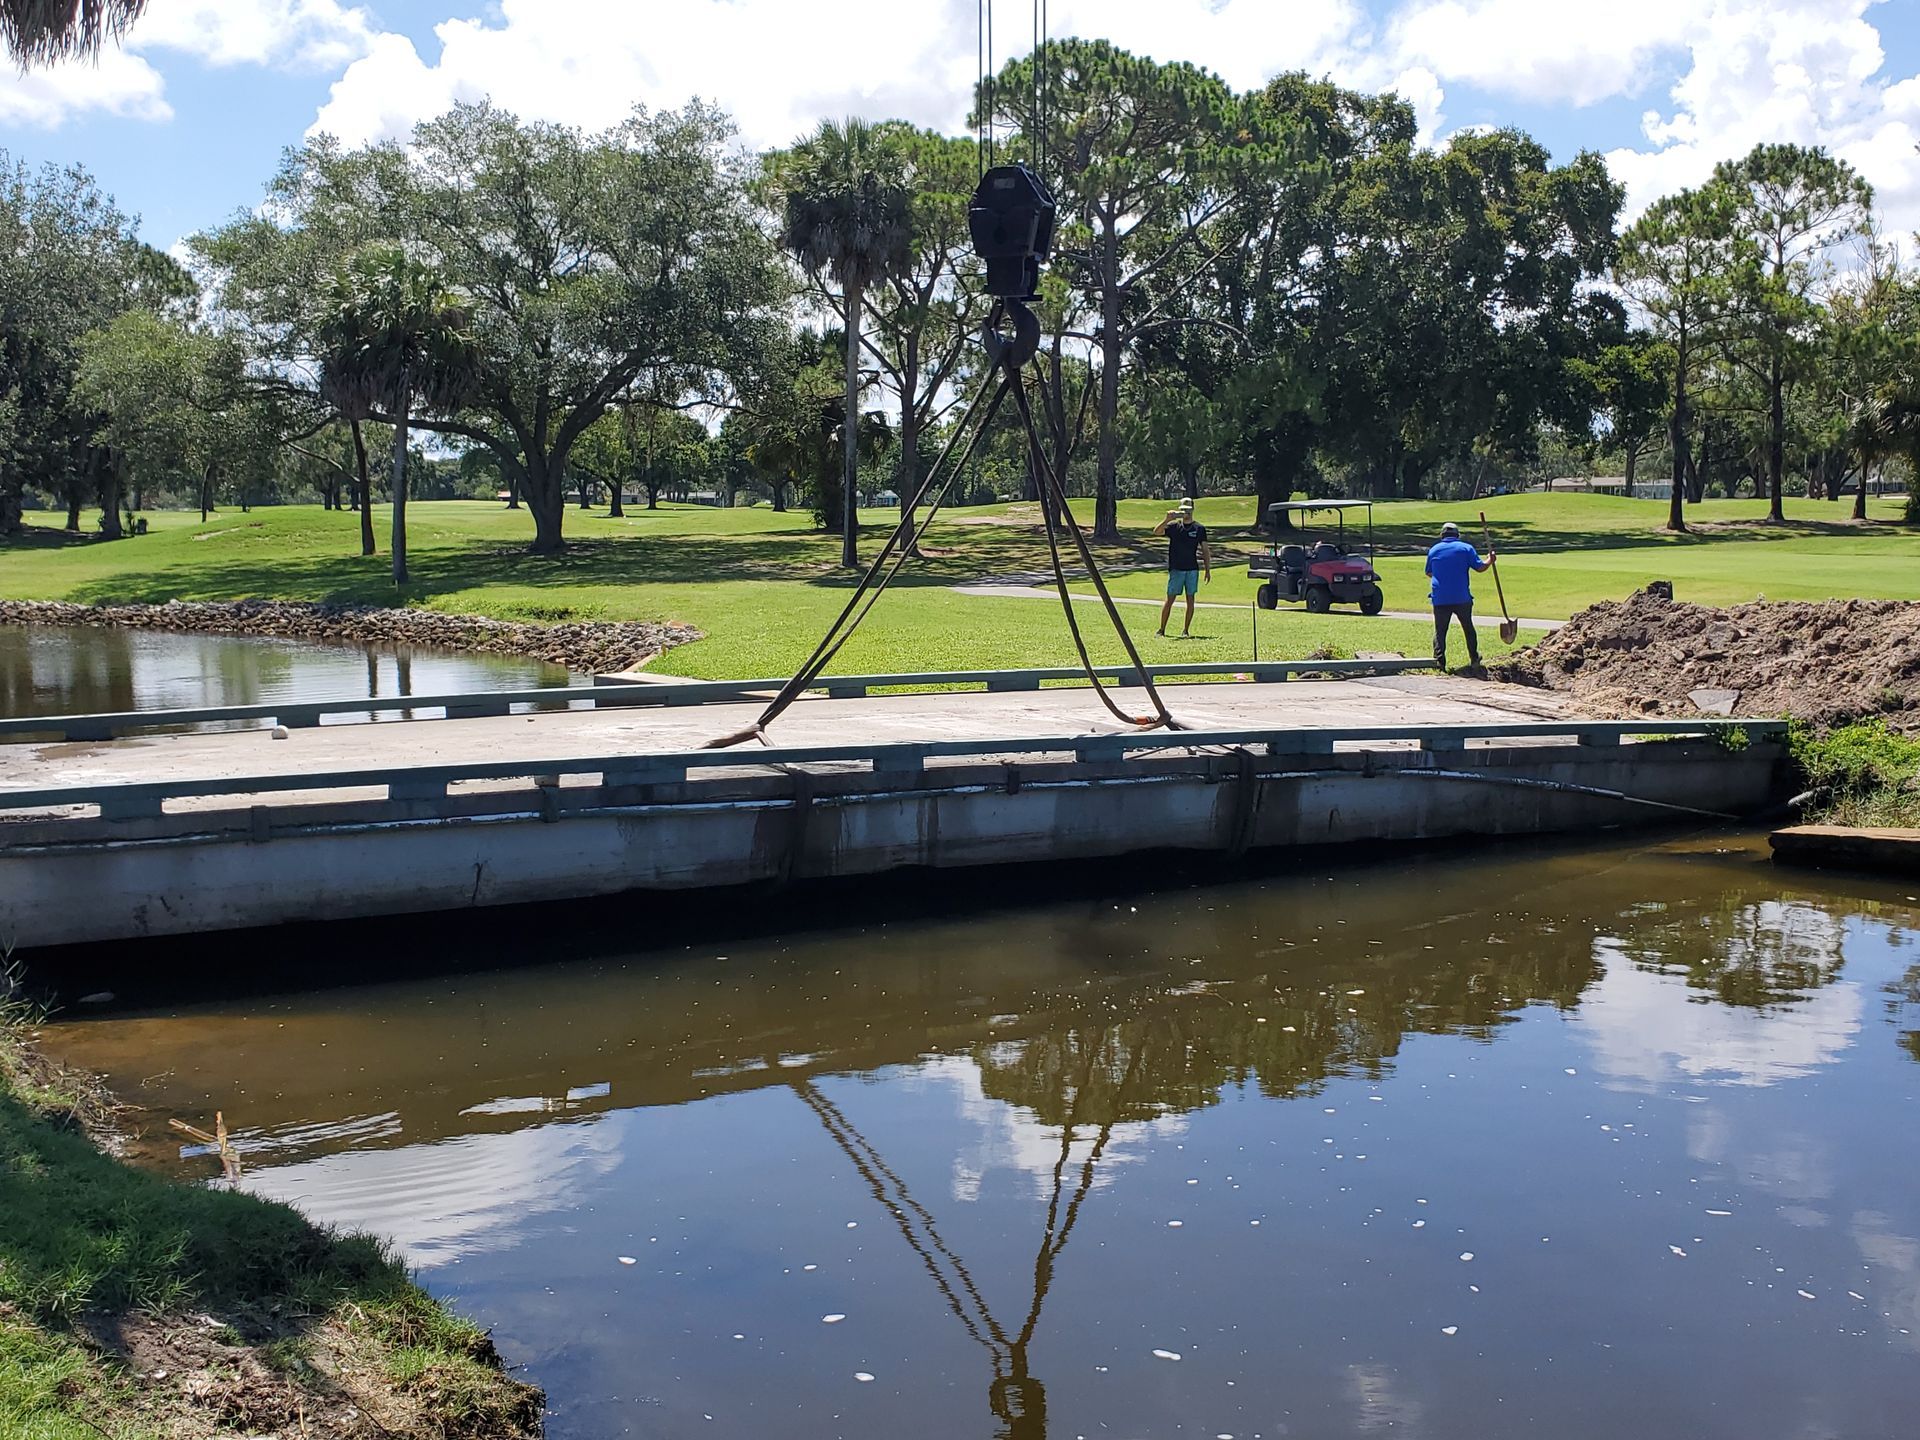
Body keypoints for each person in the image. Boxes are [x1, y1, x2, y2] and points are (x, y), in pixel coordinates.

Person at [1425, 520, 1492, 671]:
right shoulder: (1466, 548)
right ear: (1457, 535)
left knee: (1440, 631)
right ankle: (1474, 658)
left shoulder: (1434, 550)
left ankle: (1439, 662)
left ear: (1442, 535)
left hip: (1440, 597)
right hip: (1461, 597)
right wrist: (1490, 560)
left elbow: (1429, 572)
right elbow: (1480, 567)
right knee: (1468, 627)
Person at [1152, 498, 1211, 638]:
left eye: (1188, 510)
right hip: (1176, 569)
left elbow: (1205, 550)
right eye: (1184, 510)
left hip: (1192, 569)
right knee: (1170, 599)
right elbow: (1156, 532)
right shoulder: (1174, 527)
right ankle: (1162, 629)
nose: (1186, 513)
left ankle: (1185, 630)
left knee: (1190, 600)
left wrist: (1208, 570)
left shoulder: (1199, 529)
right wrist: (1166, 520)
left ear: (1193, 510)